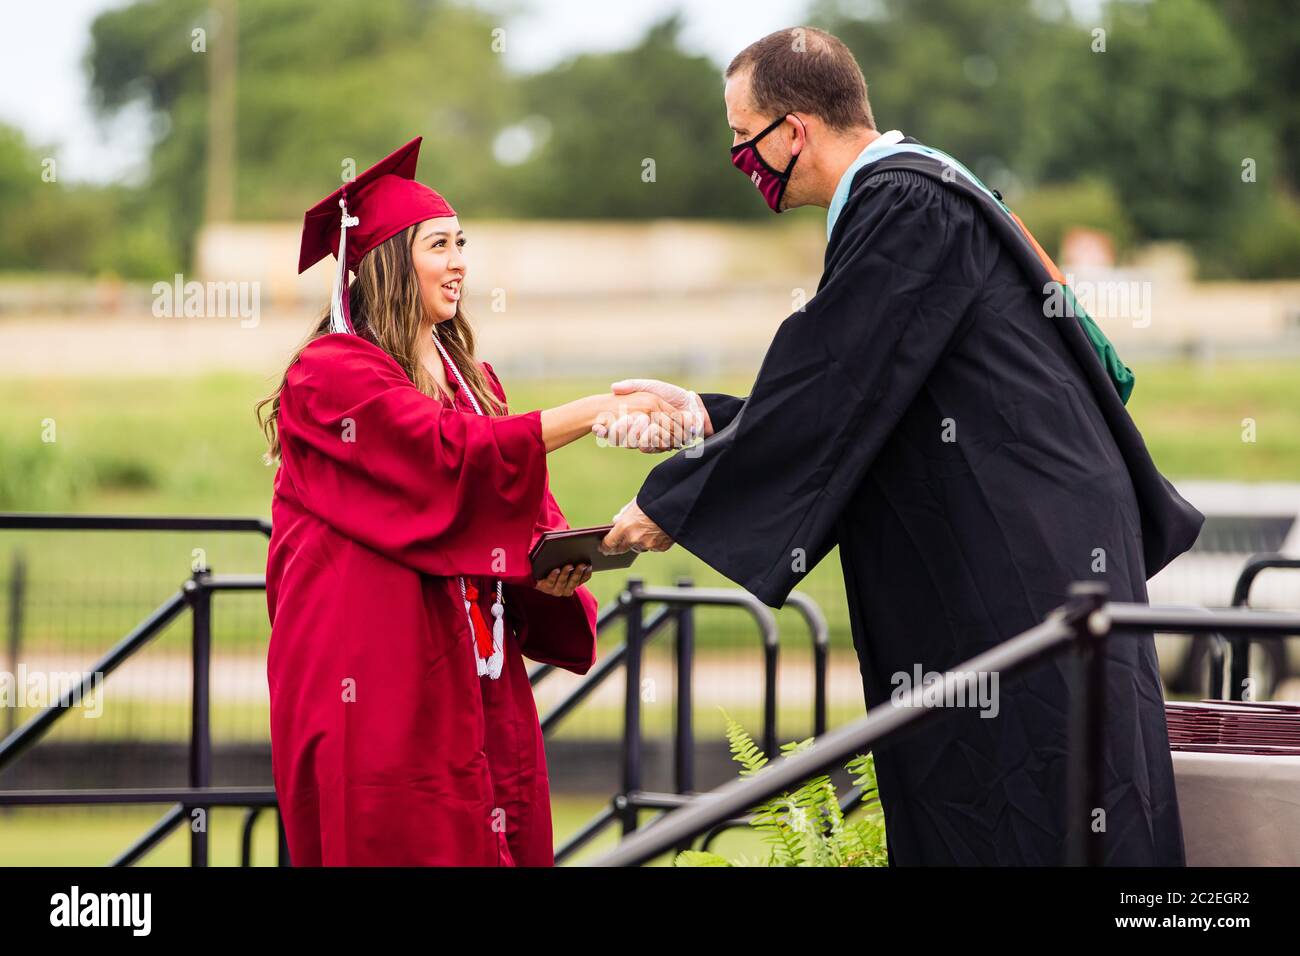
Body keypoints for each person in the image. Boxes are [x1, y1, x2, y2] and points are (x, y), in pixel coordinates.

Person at [599, 28, 1204, 865]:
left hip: (1021, 572)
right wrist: (706, 418)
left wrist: (668, 503)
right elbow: (874, 393)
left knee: (1041, 806)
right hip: (1021, 552)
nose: (741, 160)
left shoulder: (905, 202)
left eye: (745, 140)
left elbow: (833, 382)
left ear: (794, 129)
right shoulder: (918, 195)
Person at [257, 138, 683, 866]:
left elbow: (517, 511)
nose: (459, 262)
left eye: (463, 244)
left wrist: (564, 563)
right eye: (439, 245)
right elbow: (446, 460)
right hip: (372, 678)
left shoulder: (471, 378)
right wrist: (594, 410)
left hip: (470, 675)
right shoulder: (330, 377)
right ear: (387, 259)